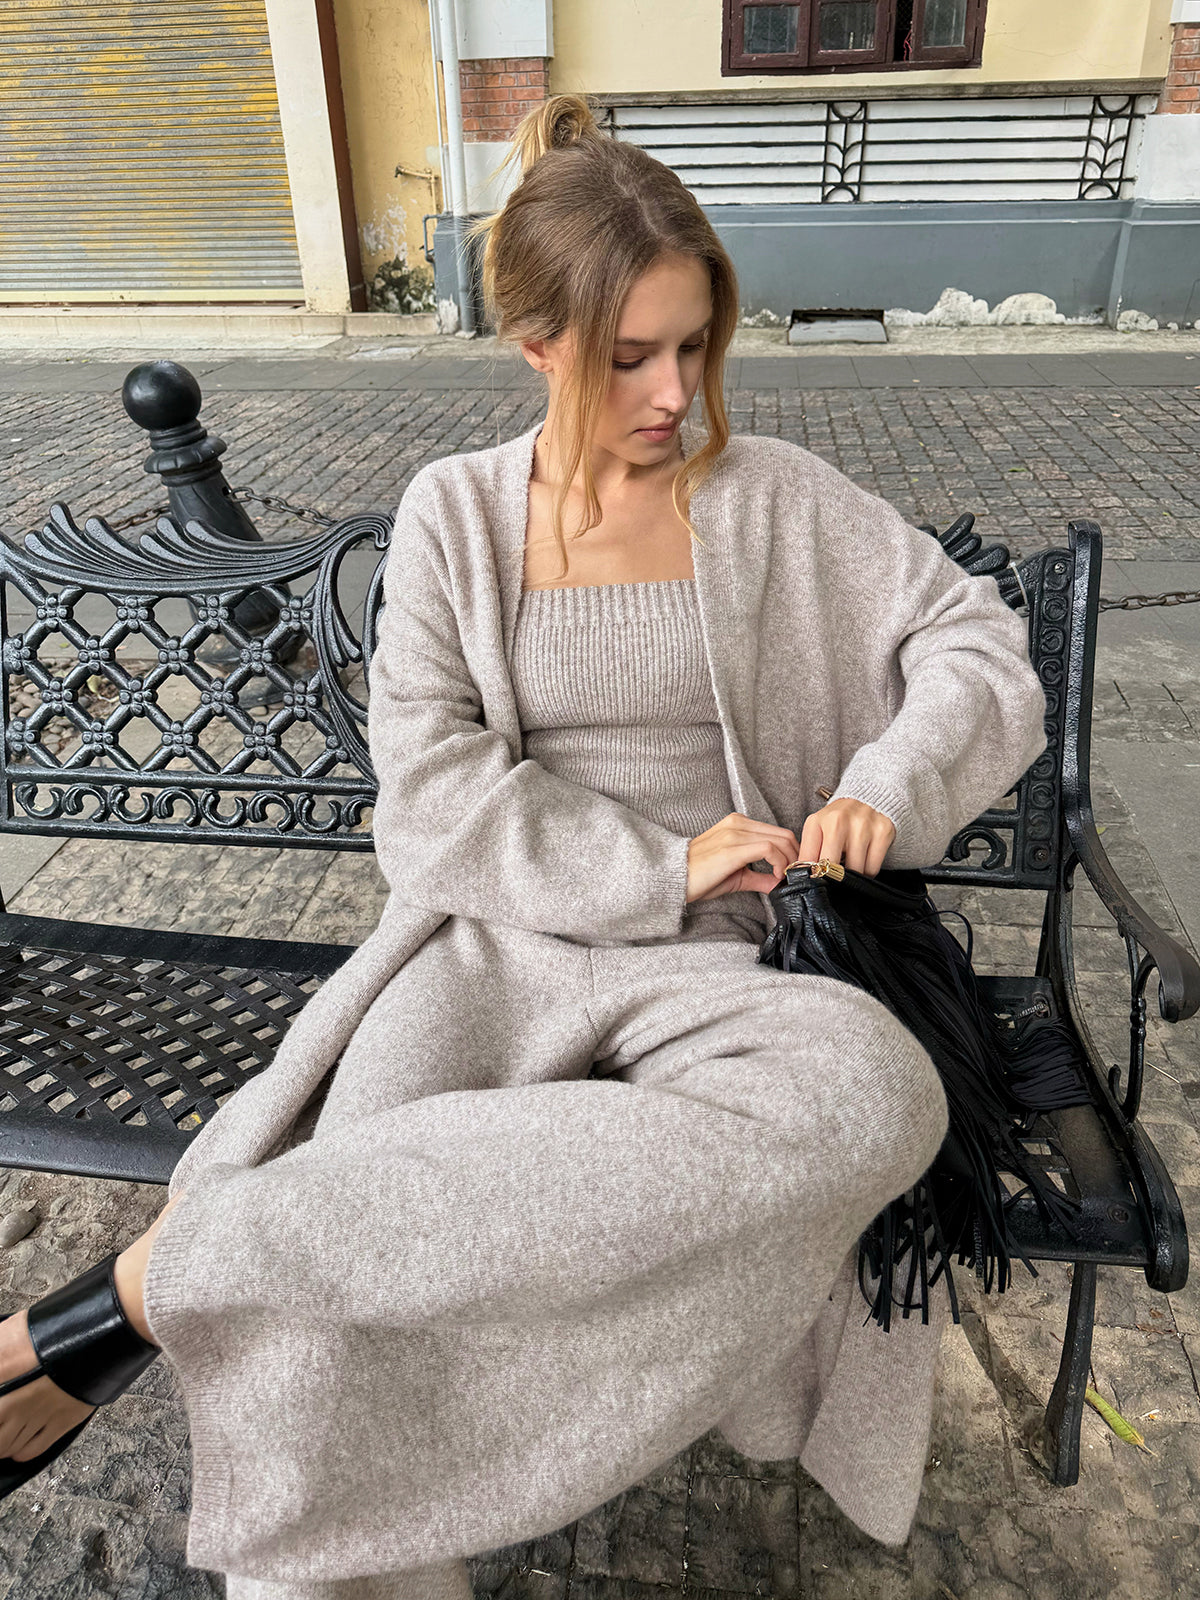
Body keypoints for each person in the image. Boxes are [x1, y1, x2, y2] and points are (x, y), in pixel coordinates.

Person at [0, 93, 1047, 1599]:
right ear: (537, 347)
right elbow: (427, 789)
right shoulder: (455, 516)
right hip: (489, 946)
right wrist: (655, 866)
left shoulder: (773, 499)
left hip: (735, 964)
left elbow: (975, 640)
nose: (675, 393)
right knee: (353, 1272)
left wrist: (891, 777)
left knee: (879, 1098)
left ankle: (162, 1283)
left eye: (697, 346)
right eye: (631, 356)